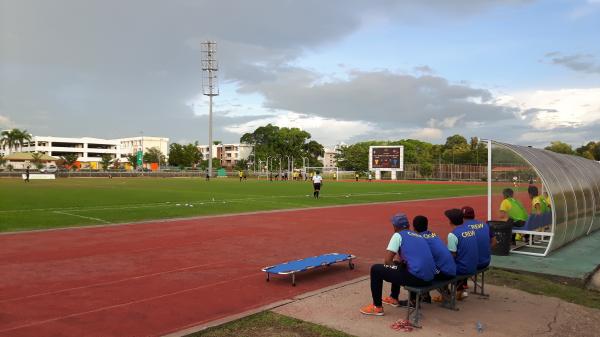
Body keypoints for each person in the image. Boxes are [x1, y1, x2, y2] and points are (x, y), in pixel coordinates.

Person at [360, 213, 436, 315]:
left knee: (375, 269)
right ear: (408, 225)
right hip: (430, 278)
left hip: (417, 279)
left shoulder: (398, 235)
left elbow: (387, 261)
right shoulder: (417, 235)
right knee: (397, 264)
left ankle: (377, 307)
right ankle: (394, 297)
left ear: (395, 226)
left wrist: (394, 267)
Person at [412, 215, 456, 303]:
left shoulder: (419, 239)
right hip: (452, 269)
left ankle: (415, 300)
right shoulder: (433, 234)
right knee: (431, 264)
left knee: (415, 268)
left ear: (414, 228)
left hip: (445, 272)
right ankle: (428, 295)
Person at [445, 208, 479, 299]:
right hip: (474, 265)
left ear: (451, 221)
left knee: (439, 267)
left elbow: (452, 256)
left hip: (463, 268)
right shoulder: (470, 230)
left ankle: (445, 295)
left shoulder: (452, 234)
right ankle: (459, 290)